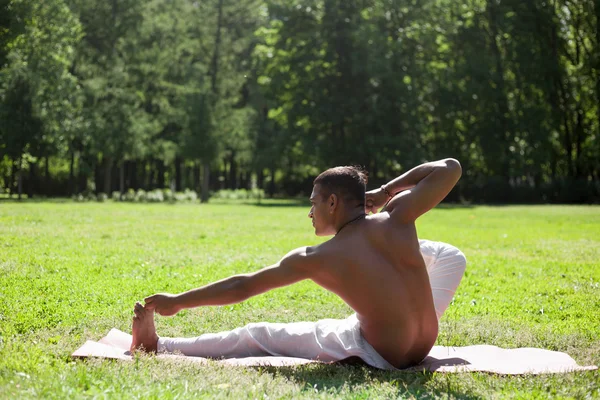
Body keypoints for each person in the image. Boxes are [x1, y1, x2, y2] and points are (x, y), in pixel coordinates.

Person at [131, 158, 467, 369]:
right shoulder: (399, 216)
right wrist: (387, 191)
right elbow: (450, 167)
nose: (310, 212)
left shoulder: (318, 258)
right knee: (448, 256)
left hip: (382, 353)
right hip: (424, 343)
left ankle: (158, 346)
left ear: (332, 202)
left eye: (314, 203)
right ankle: (382, 293)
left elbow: (243, 285)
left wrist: (177, 302)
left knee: (258, 334)